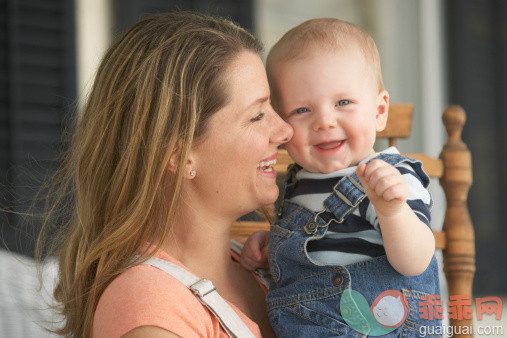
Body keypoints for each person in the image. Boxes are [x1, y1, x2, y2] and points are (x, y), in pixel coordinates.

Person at [37, 11, 292, 337]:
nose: (284, 130)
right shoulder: (151, 313)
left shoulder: (267, 264)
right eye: (257, 116)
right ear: (180, 154)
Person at [241, 18, 441, 337]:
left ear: (379, 111)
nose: (324, 121)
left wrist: (392, 212)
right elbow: (318, 250)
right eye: (302, 110)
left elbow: (416, 261)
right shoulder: (298, 180)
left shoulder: (389, 177)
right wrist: (274, 247)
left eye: (343, 103)